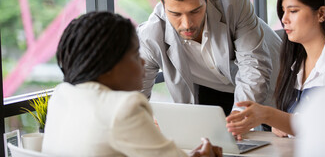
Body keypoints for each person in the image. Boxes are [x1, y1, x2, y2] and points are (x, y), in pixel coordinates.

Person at [42, 12, 222, 157]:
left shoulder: (61, 95)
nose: (143, 62)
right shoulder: (123, 108)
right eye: (136, 54)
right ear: (109, 65)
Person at [137, 0, 281, 117]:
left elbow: (254, 67)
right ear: (161, 2)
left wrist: (239, 117)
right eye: (175, 14)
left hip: (271, 80)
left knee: (278, 137)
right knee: (215, 137)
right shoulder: (151, 35)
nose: (186, 24)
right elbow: (135, 95)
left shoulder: (234, 1)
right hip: (212, 89)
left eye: (195, 11)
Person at [226, 0, 325, 140]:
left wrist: (271, 116)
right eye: (283, 12)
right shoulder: (296, 65)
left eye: (293, 11)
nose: (284, 19)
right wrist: (280, 124)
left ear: (321, 14)